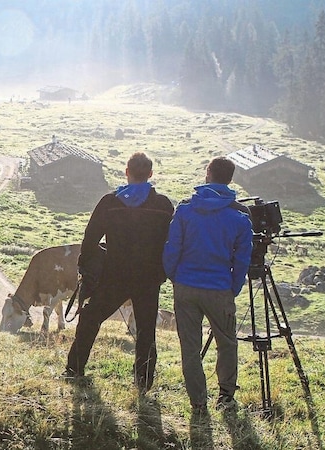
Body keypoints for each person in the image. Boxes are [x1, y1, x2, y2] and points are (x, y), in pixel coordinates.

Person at [65, 152, 174, 393]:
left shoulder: (110, 202)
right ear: (150, 174)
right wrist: (164, 270)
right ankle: (143, 383)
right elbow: (171, 242)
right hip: (148, 278)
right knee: (146, 329)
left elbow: (91, 237)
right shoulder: (164, 206)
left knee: (91, 317)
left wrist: (86, 267)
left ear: (127, 172)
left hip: (115, 275)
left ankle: (74, 369)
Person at [162, 156, 253, 414]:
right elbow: (242, 260)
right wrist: (232, 288)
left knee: (189, 345)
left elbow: (172, 249)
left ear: (208, 174)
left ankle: (198, 402)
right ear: (230, 178)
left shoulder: (185, 210)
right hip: (220, 287)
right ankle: (225, 396)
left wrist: (175, 276)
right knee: (227, 343)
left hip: (186, 286)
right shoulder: (240, 218)